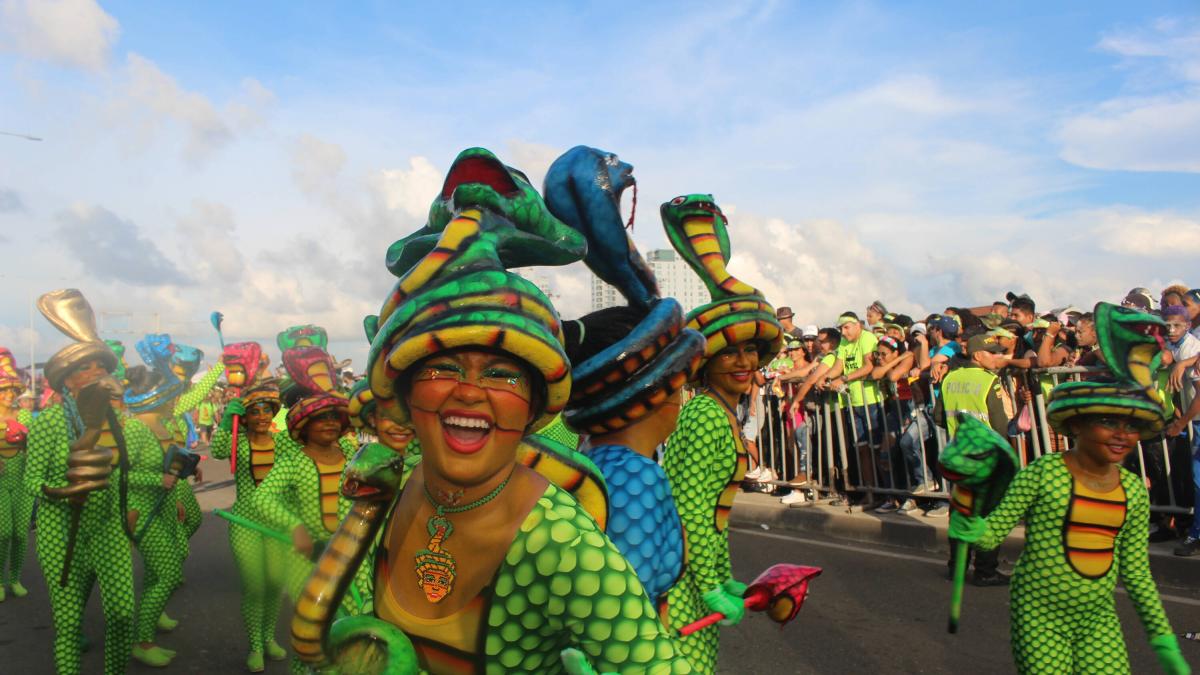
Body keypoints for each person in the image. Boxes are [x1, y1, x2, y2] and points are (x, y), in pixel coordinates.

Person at [300, 148, 689, 674]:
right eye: (443, 369)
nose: (470, 391)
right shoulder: (393, 493)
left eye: (502, 374)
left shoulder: (561, 544)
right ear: (405, 393)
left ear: (533, 407)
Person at [949, 304, 1189, 674]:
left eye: (1130, 424)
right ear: (1077, 426)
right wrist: (970, 525)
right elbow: (992, 533)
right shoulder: (1044, 474)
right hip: (1039, 618)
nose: (1122, 435)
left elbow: (1137, 574)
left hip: (1098, 620)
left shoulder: (1132, 490)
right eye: (1108, 422)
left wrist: (1163, 638)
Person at [660, 192, 784, 672]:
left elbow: (715, 518)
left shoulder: (724, 413)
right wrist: (706, 585)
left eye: (751, 350)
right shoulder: (706, 415)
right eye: (730, 353)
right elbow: (689, 512)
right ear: (706, 363)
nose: (744, 361)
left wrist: (725, 578)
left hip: (699, 574)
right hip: (682, 580)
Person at [24, 289, 134, 675]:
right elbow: (32, 480)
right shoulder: (50, 425)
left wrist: (128, 511)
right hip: (61, 530)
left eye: (101, 368)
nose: (97, 375)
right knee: (69, 624)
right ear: (68, 381)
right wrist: (59, 491)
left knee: (122, 615)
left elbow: (123, 473)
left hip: (107, 528)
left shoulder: (118, 424)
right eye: (87, 370)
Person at [209, 373, 296, 672]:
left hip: (276, 523)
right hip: (244, 521)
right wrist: (224, 422)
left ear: (273, 414)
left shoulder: (284, 444)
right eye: (253, 411)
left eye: (266, 411)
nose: (260, 416)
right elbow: (219, 451)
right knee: (255, 586)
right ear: (245, 417)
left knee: (274, 583)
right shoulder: (240, 443)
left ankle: (269, 637)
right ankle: (255, 646)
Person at [934, 334, 1012, 585]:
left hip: (960, 456)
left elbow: (937, 417)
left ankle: (956, 565)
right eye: (993, 353)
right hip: (986, 458)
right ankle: (985, 571)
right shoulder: (990, 381)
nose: (997, 357)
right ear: (978, 355)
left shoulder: (950, 378)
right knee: (988, 516)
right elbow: (1000, 426)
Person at [0, 348, 32, 600]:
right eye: (3, 390)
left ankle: (15, 578)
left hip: (22, 478)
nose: (9, 395)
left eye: (13, 390)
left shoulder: (24, 416)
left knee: (21, 533)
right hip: (0, 480)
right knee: (4, 532)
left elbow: (36, 448)